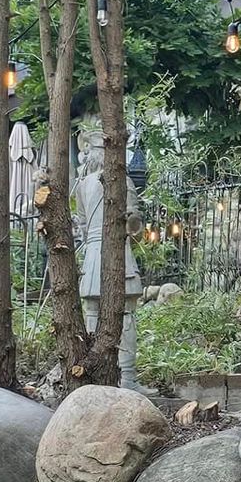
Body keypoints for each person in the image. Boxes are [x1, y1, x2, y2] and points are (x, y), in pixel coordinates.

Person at [75, 125, 142, 387]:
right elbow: (133, 224)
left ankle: (97, 376)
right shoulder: (122, 180)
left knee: (94, 313)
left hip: (92, 256)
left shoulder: (82, 185)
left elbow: (81, 224)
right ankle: (127, 378)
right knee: (125, 314)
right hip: (118, 255)